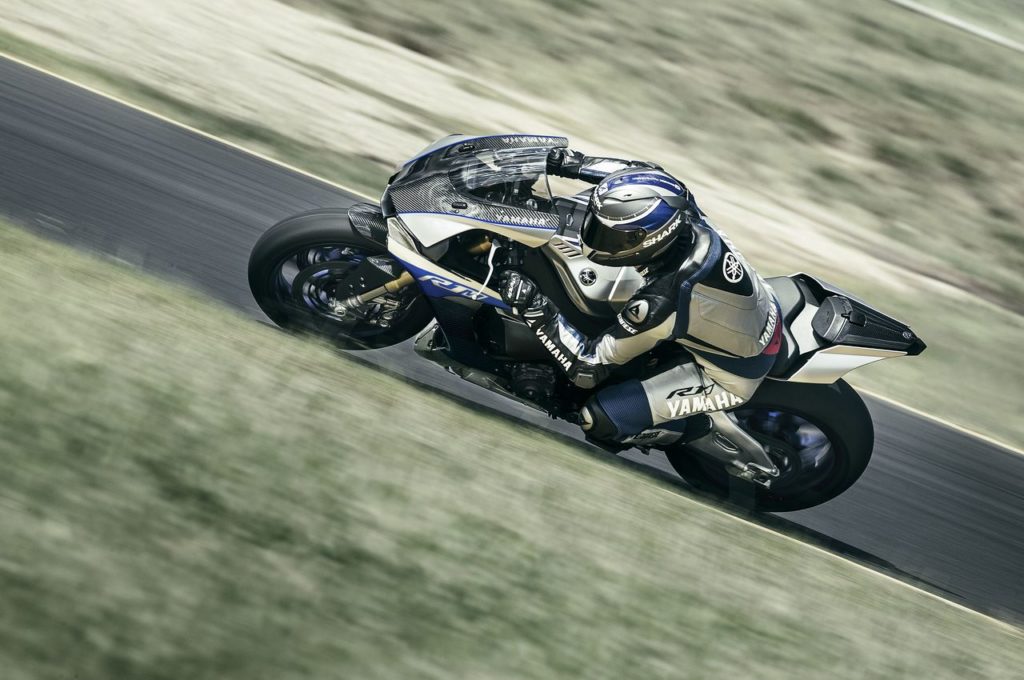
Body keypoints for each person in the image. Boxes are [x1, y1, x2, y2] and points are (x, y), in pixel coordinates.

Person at [496, 147, 782, 448]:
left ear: (647, 240)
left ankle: (697, 426)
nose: (596, 236)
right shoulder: (674, 201)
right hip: (753, 308)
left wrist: (535, 308)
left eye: (611, 236)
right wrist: (566, 163)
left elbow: (587, 368)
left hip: (733, 373)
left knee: (600, 419)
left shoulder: (662, 300)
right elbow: (632, 172)